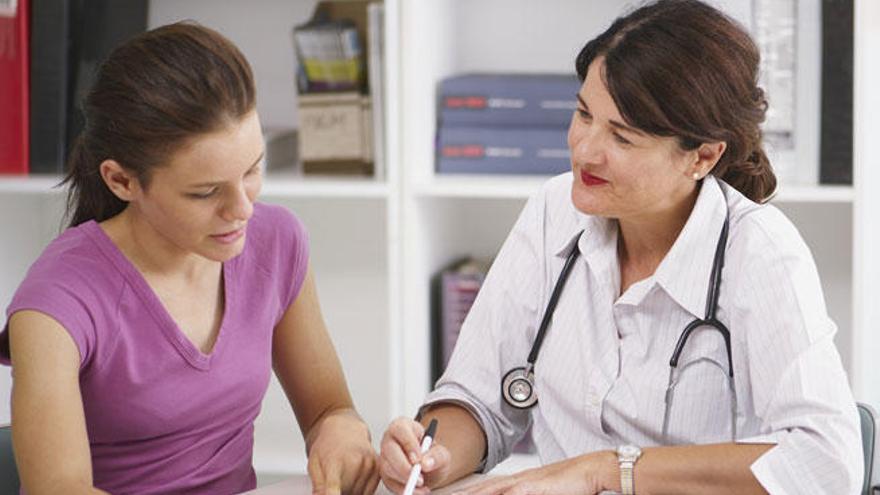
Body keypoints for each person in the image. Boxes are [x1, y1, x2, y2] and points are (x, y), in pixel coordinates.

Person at [379, 1, 862, 494]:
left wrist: (606, 469)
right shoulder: (553, 213)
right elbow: (477, 400)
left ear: (702, 156)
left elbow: (826, 462)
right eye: (584, 113)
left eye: (623, 137)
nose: (584, 149)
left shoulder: (759, 251)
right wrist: (433, 455)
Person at [0, 22, 378, 495]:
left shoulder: (277, 242)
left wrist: (340, 432)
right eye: (205, 192)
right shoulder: (55, 303)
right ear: (122, 181)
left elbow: (329, 409)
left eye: (252, 170)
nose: (242, 210)